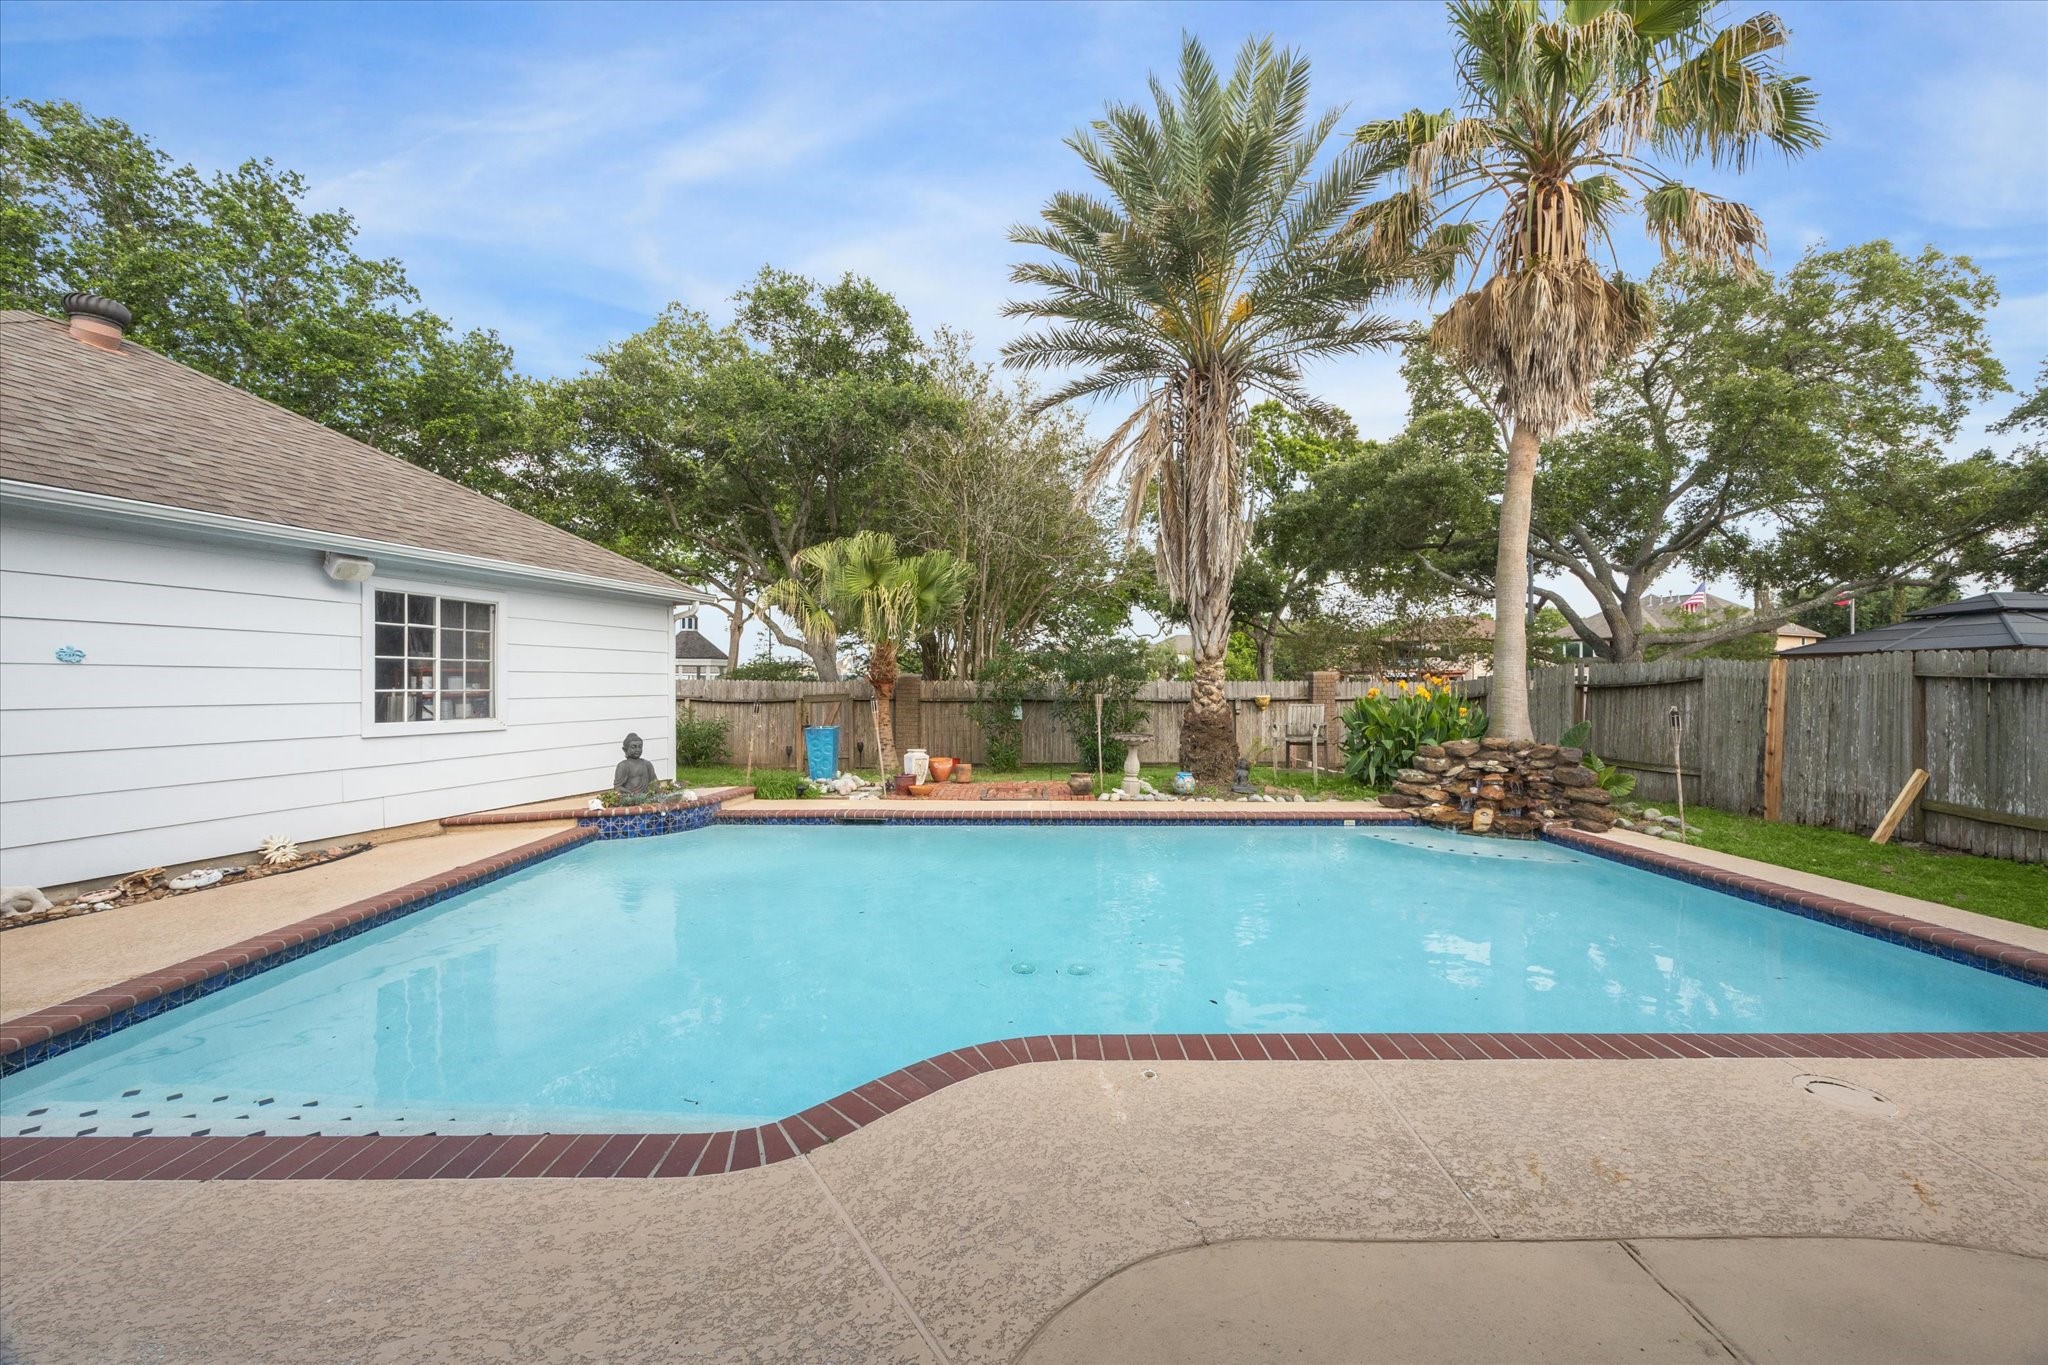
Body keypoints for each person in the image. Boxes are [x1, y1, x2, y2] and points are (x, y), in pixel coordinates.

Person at [613, 732, 657, 802]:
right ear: (625, 749)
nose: (637, 750)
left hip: (647, 798)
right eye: (633, 747)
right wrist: (631, 794)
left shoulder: (647, 764)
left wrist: (655, 793)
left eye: (640, 747)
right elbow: (617, 787)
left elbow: (654, 782)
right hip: (630, 799)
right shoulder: (623, 765)